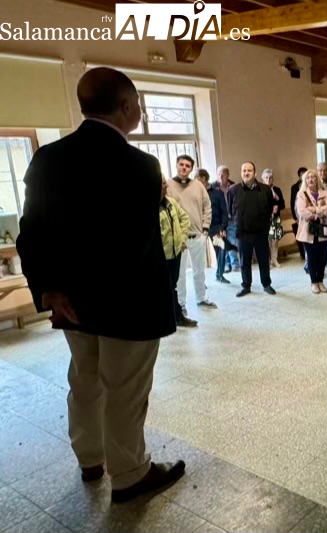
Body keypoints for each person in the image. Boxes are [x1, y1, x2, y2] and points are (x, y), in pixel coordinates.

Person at [16, 67, 184, 502]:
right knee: (125, 388)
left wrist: (51, 290)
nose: (141, 111)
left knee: (85, 380)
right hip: (128, 303)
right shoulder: (140, 165)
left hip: (71, 302)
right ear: (126, 106)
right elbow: (133, 246)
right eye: (140, 104)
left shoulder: (48, 159)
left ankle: (90, 459)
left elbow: (31, 231)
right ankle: (129, 473)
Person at [167, 155, 216, 312]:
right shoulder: (168, 185)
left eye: (188, 166)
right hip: (178, 238)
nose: (184, 168)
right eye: (181, 164)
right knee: (180, 273)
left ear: (190, 169)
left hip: (197, 236)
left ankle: (201, 298)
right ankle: (181, 304)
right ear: (176, 165)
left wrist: (206, 229)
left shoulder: (198, 186)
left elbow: (207, 206)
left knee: (199, 270)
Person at [228, 161, 277, 297]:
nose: (246, 173)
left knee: (263, 260)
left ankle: (266, 284)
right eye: (244, 170)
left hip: (261, 233)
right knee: (245, 261)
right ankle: (246, 285)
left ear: (255, 173)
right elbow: (231, 212)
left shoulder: (266, 190)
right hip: (243, 233)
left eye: (249, 170)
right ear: (241, 172)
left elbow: (269, 209)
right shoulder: (233, 190)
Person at [159, 176, 197, 328]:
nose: (166, 185)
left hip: (175, 253)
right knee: (163, 287)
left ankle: (177, 317)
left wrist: (181, 239)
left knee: (171, 286)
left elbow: (184, 219)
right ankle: (169, 318)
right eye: (162, 183)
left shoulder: (171, 203)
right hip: (161, 256)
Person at [295, 169, 327, 294]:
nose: (311, 180)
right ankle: (314, 282)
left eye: (313, 177)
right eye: (308, 178)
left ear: (317, 179)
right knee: (311, 257)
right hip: (308, 230)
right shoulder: (302, 194)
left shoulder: (324, 193)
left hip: (323, 230)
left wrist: (313, 209)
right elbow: (302, 211)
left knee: (322, 257)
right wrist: (318, 213)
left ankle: (321, 281)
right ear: (305, 181)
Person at [195, 169, 229, 285]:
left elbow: (224, 211)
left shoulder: (217, 193)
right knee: (198, 255)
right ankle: (200, 282)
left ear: (203, 179)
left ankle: (219, 275)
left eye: (197, 179)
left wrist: (223, 227)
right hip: (199, 228)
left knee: (220, 250)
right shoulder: (195, 194)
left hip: (216, 227)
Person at [216, 165, 239, 273]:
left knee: (232, 240)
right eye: (219, 174)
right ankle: (226, 265)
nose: (220, 176)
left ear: (228, 175)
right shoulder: (213, 187)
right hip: (219, 220)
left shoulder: (234, 186)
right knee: (222, 242)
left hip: (231, 218)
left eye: (223, 174)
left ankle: (235, 264)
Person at [261, 169, 286, 268]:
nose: (268, 180)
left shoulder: (277, 190)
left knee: (275, 240)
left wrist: (277, 207)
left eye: (270, 178)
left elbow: (282, 204)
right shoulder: (260, 189)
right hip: (264, 219)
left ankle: (274, 259)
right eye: (266, 178)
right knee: (266, 240)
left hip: (275, 218)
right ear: (262, 179)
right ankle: (266, 260)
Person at [290, 166, 308, 261]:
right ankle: (302, 253)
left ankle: (308, 254)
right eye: (301, 174)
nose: (303, 176)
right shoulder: (294, 187)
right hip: (298, 215)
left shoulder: (310, 185)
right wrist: (295, 217)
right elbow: (292, 202)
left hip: (308, 215)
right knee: (300, 235)